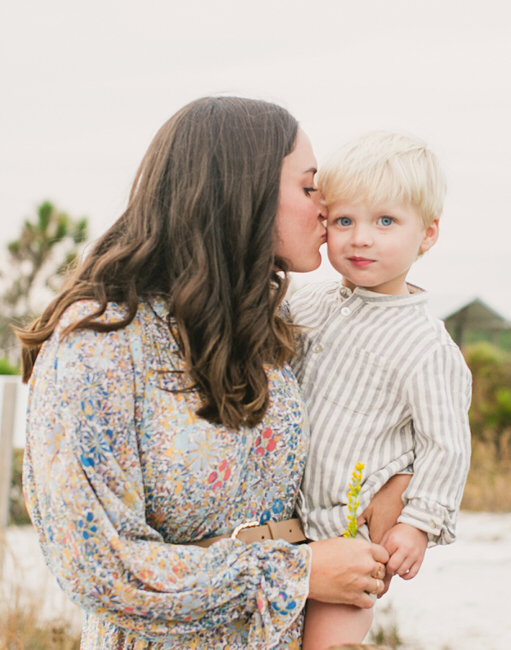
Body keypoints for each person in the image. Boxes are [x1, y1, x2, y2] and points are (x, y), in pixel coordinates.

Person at [18, 97, 395, 650]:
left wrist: (399, 488)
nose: (326, 206)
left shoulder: (275, 330)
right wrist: (298, 573)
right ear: (244, 189)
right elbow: (96, 564)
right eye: (309, 186)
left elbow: (367, 429)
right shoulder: (100, 341)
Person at [289, 131, 472, 649]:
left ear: (428, 234)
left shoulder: (426, 345)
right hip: (283, 529)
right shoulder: (309, 303)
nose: (360, 238)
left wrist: (416, 524)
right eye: (344, 220)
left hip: (350, 538)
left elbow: (447, 445)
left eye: (384, 221)